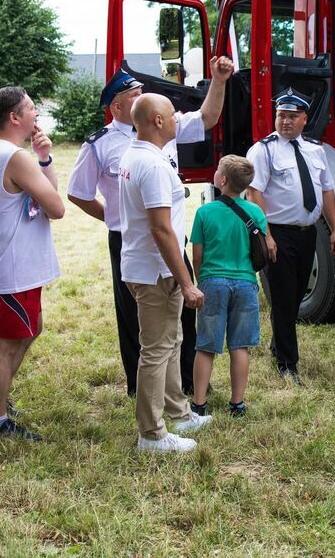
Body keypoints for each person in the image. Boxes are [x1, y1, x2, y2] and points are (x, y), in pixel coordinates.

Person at [67, 57, 234, 397]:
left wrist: (218, 81)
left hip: (171, 237)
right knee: (135, 318)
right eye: (135, 92)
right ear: (117, 105)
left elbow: (207, 117)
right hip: (130, 241)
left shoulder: (163, 126)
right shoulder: (100, 144)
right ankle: (139, 388)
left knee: (184, 312)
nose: (143, 94)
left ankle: (186, 382)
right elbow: (78, 194)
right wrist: (118, 219)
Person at [119, 93, 212, 453]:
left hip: (149, 267)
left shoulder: (137, 153)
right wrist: (187, 283)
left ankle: (177, 411)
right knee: (156, 349)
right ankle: (151, 434)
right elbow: (161, 229)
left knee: (170, 341)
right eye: (173, 114)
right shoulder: (154, 165)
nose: (178, 118)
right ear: (157, 121)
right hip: (157, 272)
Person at [0, 86, 64, 440]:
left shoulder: (4, 151)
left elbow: (49, 196)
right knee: (6, 342)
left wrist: (43, 158)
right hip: (13, 267)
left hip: (18, 265)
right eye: (31, 110)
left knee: (31, 328)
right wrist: (36, 164)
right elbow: (56, 208)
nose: (36, 115)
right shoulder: (12, 156)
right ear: (14, 117)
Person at [245, 88, 335, 385]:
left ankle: (279, 344)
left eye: (291, 116)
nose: (285, 122)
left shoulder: (316, 150)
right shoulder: (263, 150)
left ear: (304, 119)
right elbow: (254, 192)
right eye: (280, 116)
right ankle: (288, 364)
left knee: (297, 294)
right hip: (279, 234)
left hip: (307, 233)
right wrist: (267, 235)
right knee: (285, 300)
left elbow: (326, 191)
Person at [189, 155, 266, 419]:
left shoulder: (204, 212)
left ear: (222, 180)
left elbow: (197, 255)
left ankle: (199, 404)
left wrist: (201, 281)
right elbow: (261, 251)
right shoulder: (256, 213)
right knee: (240, 346)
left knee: (206, 346)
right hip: (245, 284)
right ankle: (237, 404)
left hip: (213, 281)